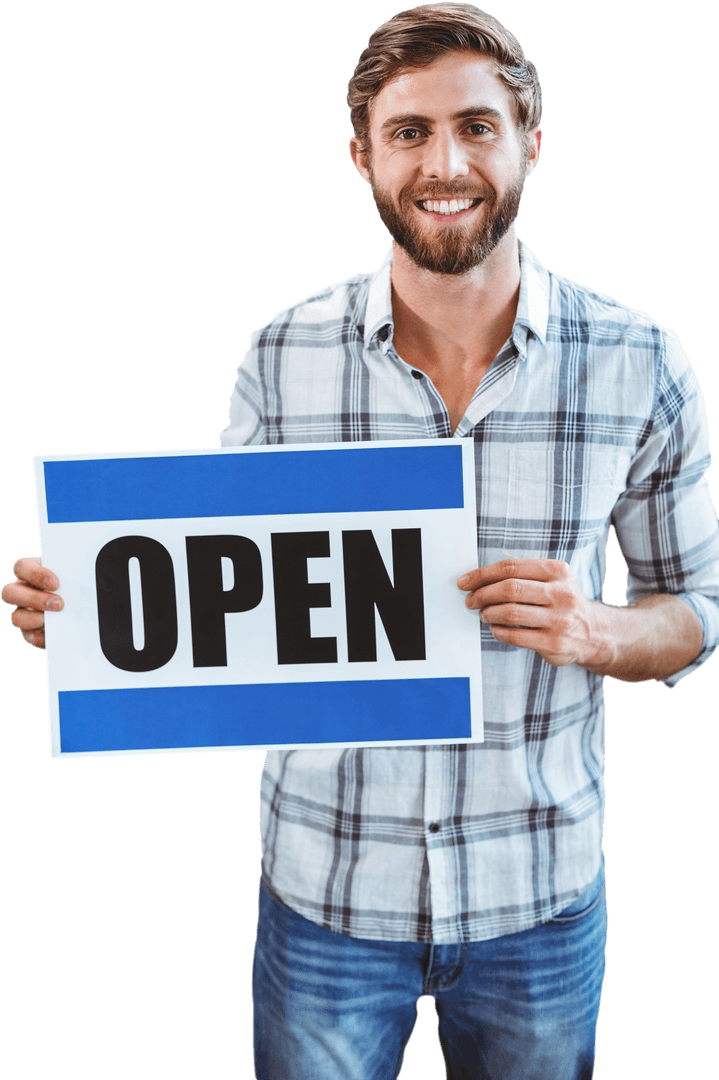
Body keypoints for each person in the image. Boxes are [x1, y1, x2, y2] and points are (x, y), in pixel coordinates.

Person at [4, 4, 718, 1078]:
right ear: (362, 157)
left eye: (477, 127)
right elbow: (223, 597)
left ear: (530, 143)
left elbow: (699, 607)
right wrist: (96, 617)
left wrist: (598, 631)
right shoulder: (281, 353)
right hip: (326, 896)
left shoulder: (640, 360)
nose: (445, 163)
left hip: (536, 894)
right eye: (409, 132)